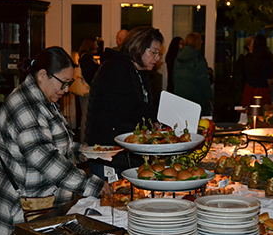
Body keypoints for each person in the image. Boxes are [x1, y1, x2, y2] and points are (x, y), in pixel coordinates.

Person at [0, 46, 107, 235]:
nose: (66, 89)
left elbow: (55, 145)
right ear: (42, 75)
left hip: (39, 202)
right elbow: (44, 159)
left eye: (69, 83)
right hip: (22, 205)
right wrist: (90, 185)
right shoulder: (24, 105)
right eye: (63, 82)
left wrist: (81, 152)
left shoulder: (43, 98)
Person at [85, 26, 164, 177]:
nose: (157, 58)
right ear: (138, 48)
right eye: (154, 52)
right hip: (108, 154)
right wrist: (162, 114)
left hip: (124, 153)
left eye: (159, 53)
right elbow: (131, 109)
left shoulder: (139, 72)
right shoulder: (115, 69)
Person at [173, 32, 213, 116]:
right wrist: (209, 95)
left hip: (181, 95)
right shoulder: (198, 58)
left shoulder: (178, 58)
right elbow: (203, 80)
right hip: (196, 97)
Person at [77, 38, 101, 141]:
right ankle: (84, 141)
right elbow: (88, 74)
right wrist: (94, 85)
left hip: (86, 91)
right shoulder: (86, 58)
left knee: (86, 115)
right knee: (86, 117)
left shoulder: (84, 57)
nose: (96, 47)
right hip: (87, 91)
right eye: (95, 45)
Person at [241, 34, 273, 107]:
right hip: (263, 89)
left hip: (250, 89)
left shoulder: (248, 59)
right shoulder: (267, 58)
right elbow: (270, 77)